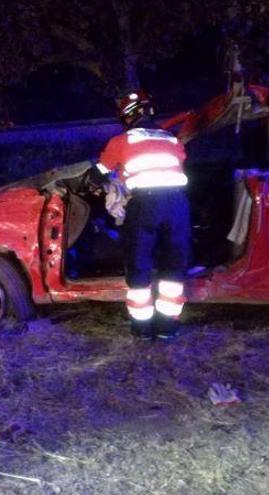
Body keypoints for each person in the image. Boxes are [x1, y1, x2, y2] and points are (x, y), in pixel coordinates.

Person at [95, 90, 192, 341]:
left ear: (127, 116)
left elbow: (101, 171)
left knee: (139, 263)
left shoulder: (121, 141)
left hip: (145, 205)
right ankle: (167, 326)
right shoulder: (172, 140)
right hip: (178, 205)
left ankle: (141, 327)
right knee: (174, 263)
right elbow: (178, 163)